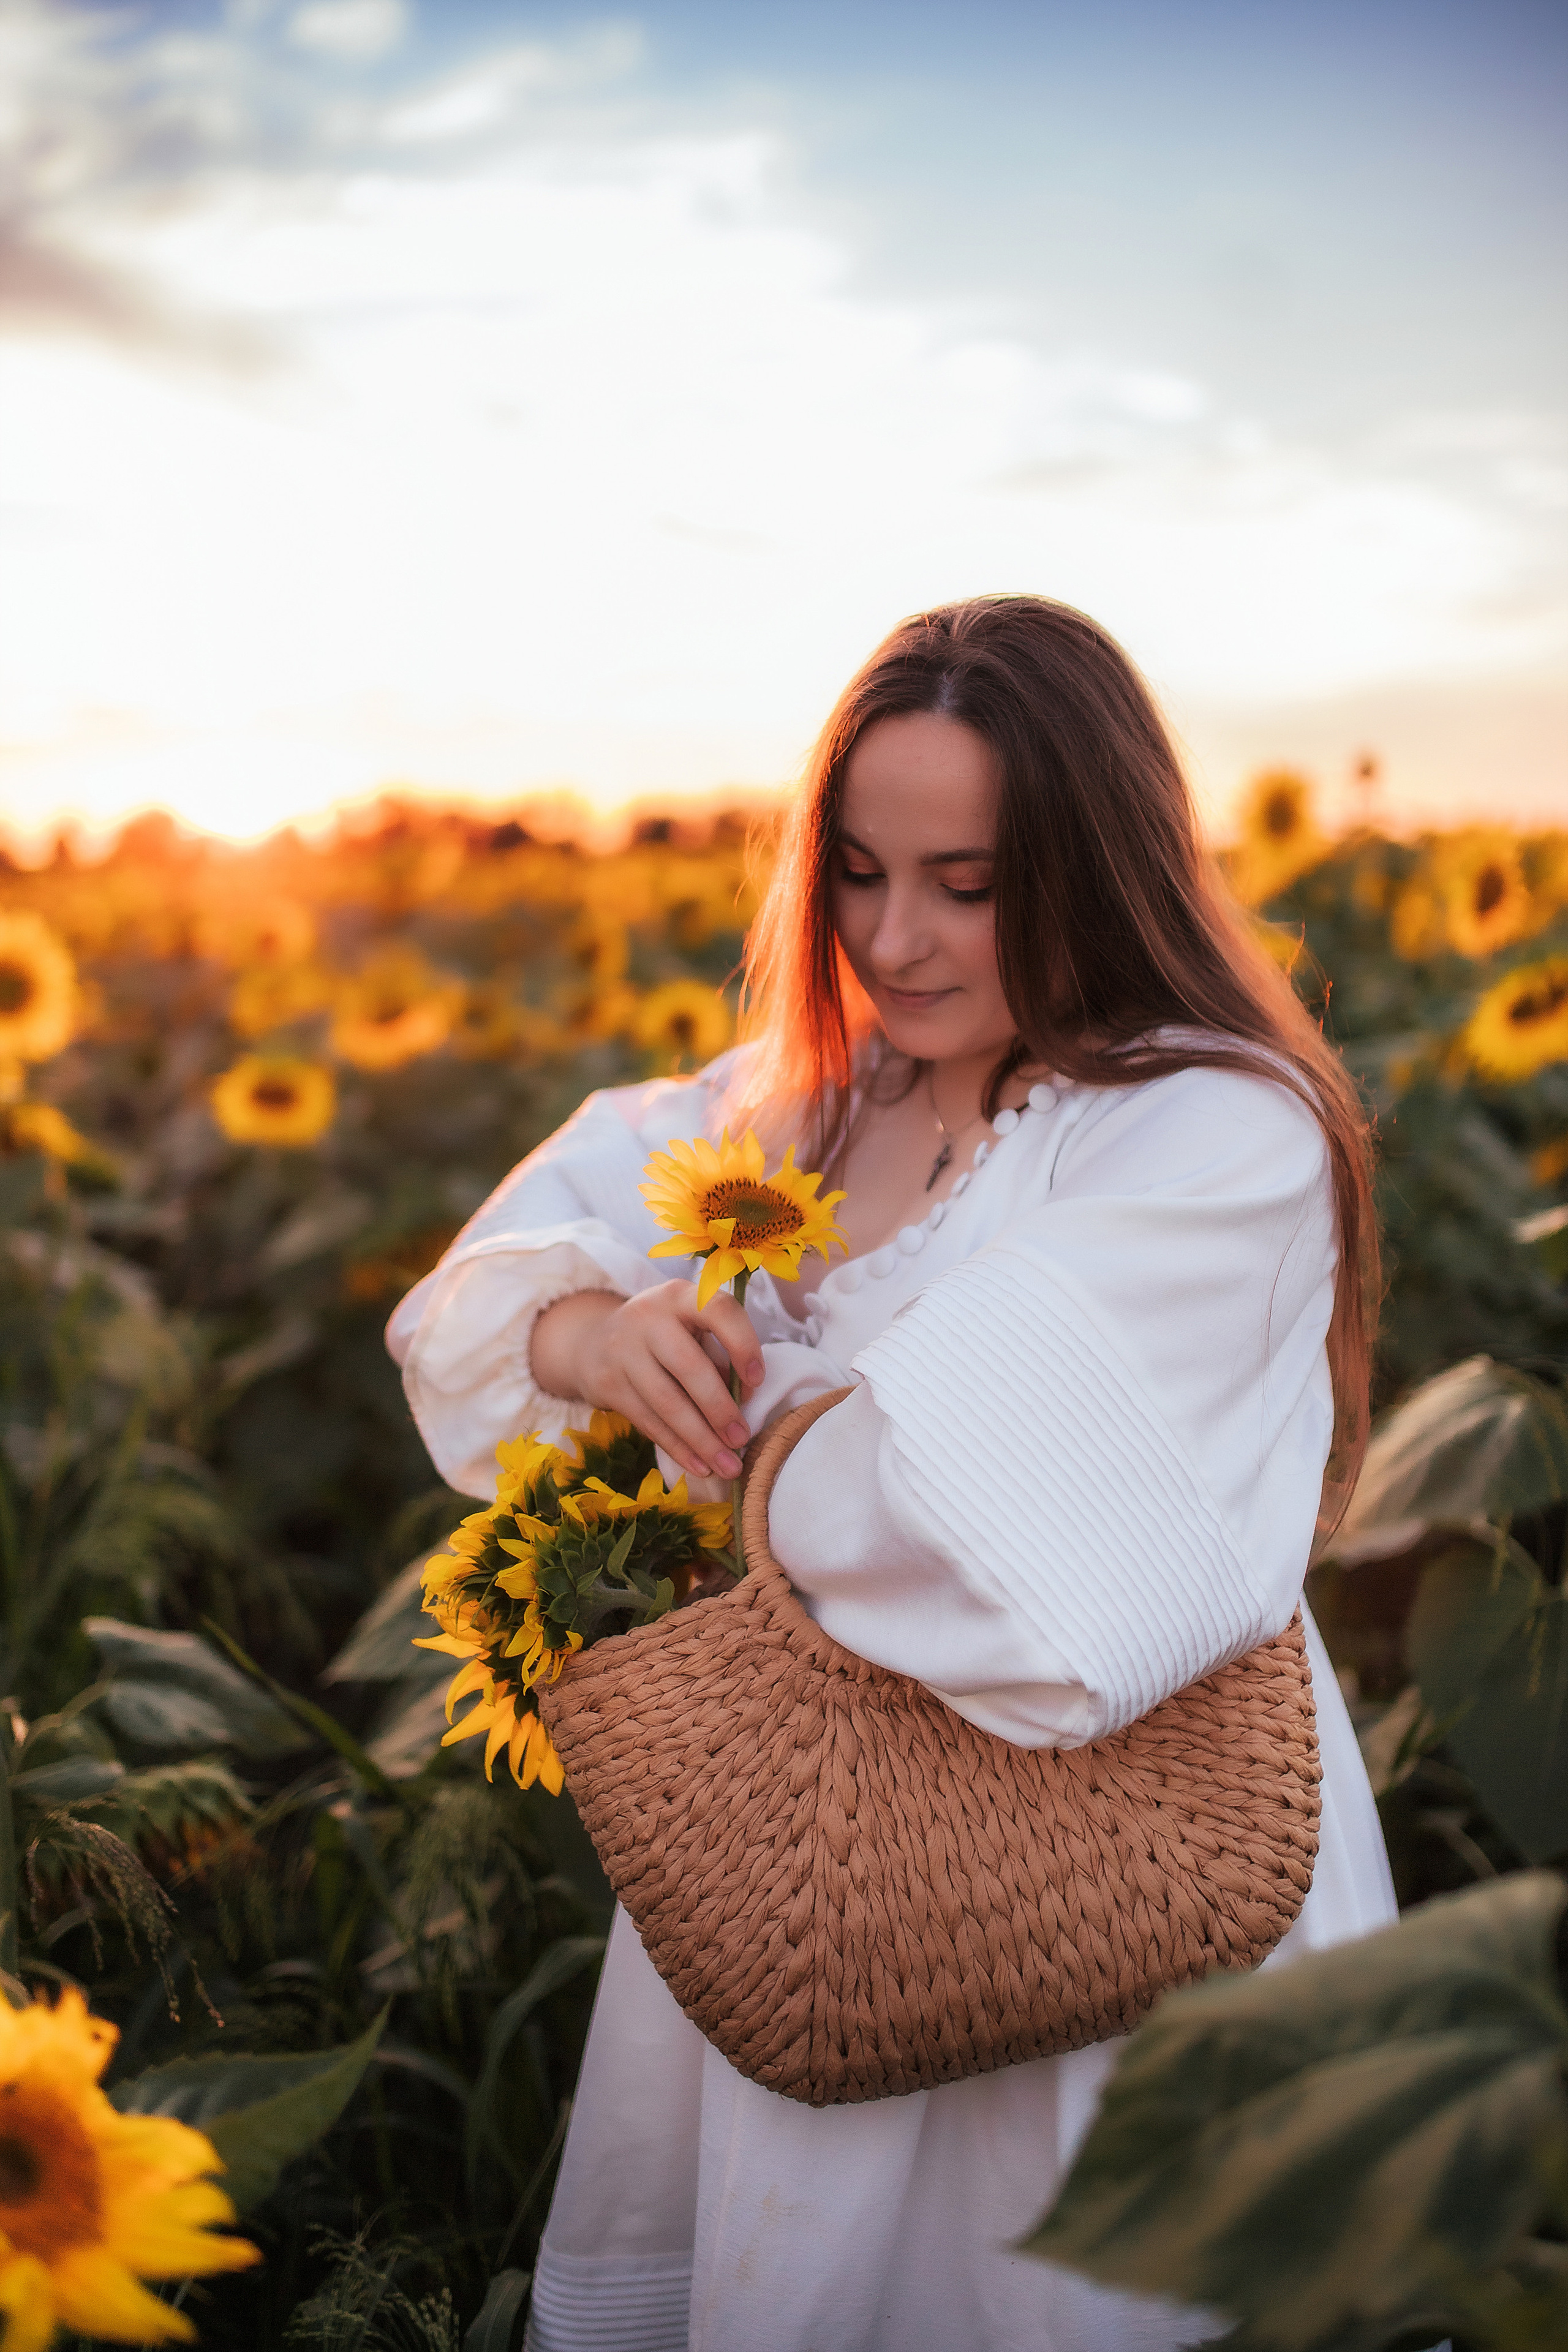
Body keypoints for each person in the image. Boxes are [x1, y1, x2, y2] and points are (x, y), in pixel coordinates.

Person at [387, 595, 1398, 2352]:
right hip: (810, 1868)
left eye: (969, 884)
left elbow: (968, 1527)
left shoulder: (1213, 1127)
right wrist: (593, 1336)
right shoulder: (813, 1103)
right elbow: (490, 1274)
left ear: (1100, 869)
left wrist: (730, 1416)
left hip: (1121, 1872)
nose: (895, 939)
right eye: (856, 873)